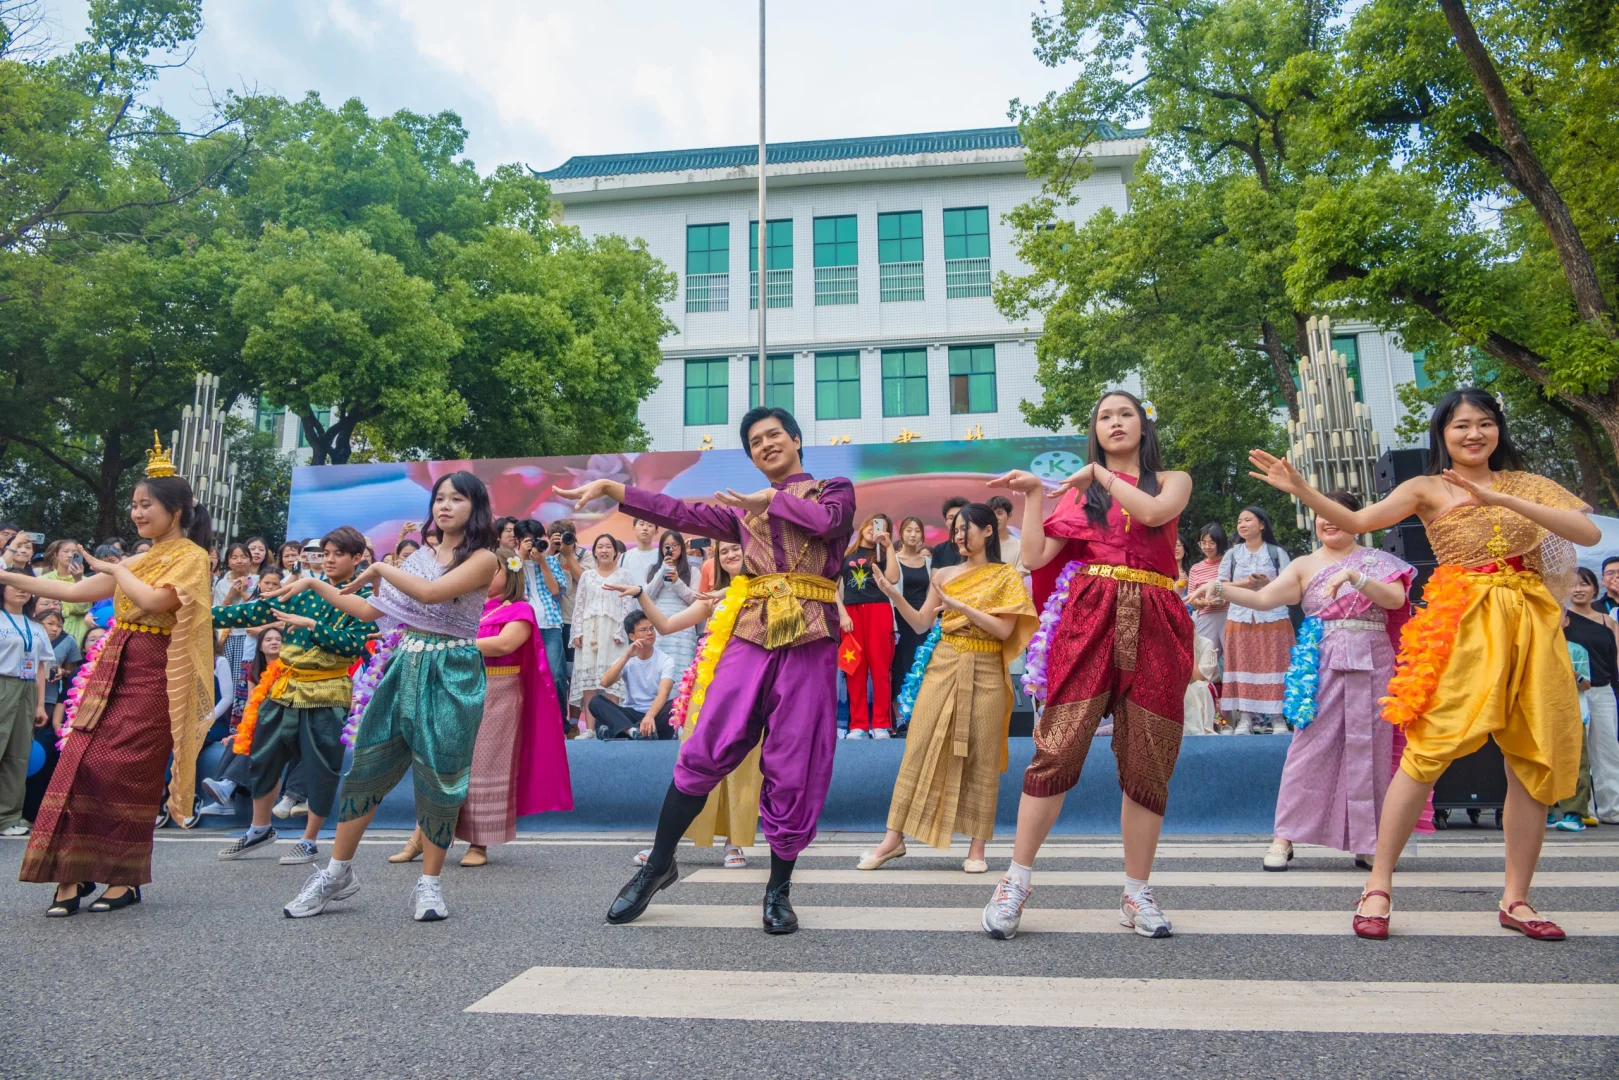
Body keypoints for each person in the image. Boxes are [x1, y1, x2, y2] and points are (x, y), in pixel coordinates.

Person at [1249, 386, 1599, 940]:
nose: (1474, 434)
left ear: (1498, 430)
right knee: (1428, 749)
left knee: (1532, 760)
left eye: (1484, 423)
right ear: (1443, 434)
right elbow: (1358, 521)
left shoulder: (1525, 486)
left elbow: (1587, 531)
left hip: (1532, 623)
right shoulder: (1425, 487)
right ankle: (1378, 885)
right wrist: (1303, 490)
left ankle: (1517, 900)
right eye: (1461, 425)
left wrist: (1501, 502)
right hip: (1467, 622)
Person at [557, 405, 855, 934]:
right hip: (751, 634)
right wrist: (616, 491)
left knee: (793, 761)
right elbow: (677, 512)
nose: (765, 445)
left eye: (773, 435)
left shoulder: (834, 489)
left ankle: (778, 889)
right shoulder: (741, 514)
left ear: (796, 439)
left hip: (810, 638)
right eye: (754, 442)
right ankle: (658, 863)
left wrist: (774, 500)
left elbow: (832, 525)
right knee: (705, 745)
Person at [981, 390, 1193, 941]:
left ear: (1144, 426)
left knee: (1149, 760)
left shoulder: (1172, 481)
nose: (1116, 422)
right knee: (1058, 747)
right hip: (1088, 620)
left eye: (1126, 414)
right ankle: (1015, 882)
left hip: (1157, 620)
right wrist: (1033, 498)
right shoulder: (1080, 500)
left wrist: (1098, 474)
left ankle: (1136, 893)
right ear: (1094, 430)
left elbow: (1152, 514)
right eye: (1104, 417)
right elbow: (1032, 559)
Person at [278, 471, 499, 922]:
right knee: (367, 766)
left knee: (441, 776)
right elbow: (366, 609)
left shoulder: (484, 559)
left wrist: (378, 568)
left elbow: (436, 594)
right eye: (440, 498)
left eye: (457, 499)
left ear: (475, 507)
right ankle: (337, 874)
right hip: (404, 664)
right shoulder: (416, 560)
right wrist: (315, 584)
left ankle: (430, 884)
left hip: (453, 671)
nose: (445, 506)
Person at [7, 438, 214, 916]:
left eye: (146, 505)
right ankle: (69, 876)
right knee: (77, 761)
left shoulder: (190, 557)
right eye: (134, 504)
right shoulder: (139, 559)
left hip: (156, 672)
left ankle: (122, 879)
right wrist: (8, 576)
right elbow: (77, 592)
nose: (136, 512)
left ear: (176, 510)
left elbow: (156, 602)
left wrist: (119, 570)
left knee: (123, 774)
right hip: (113, 666)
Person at [1192, 491, 1414, 872]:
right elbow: (1263, 599)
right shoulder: (1304, 565)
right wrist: (1217, 588)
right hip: (1321, 660)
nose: (1328, 521)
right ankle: (1284, 837)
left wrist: (1356, 577)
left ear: (1359, 519)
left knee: (1369, 749)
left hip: (1375, 660)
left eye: (1339, 514)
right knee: (1307, 747)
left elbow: (1395, 600)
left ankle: (1366, 840)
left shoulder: (1377, 562)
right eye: (1321, 515)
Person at [859, 503, 1037, 873]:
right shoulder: (942, 573)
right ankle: (893, 839)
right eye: (955, 530)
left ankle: (976, 849)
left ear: (988, 531)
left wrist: (959, 606)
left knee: (982, 753)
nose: (958, 536)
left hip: (986, 666)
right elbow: (923, 623)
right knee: (919, 743)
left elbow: (1004, 631)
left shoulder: (1005, 577)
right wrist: (892, 594)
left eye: (965, 528)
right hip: (943, 662)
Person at [390, 549, 570, 868]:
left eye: (492, 570)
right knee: (439, 761)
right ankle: (422, 836)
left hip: (499, 692)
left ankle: (479, 842)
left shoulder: (519, 609)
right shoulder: (461, 609)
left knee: (486, 765)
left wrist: (452, 643)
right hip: (455, 687)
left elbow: (503, 645)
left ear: (510, 573)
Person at [211, 527, 378, 867]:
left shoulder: (364, 600)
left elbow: (351, 646)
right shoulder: (301, 590)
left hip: (327, 690)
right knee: (262, 757)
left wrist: (312, 626)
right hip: (284, 686)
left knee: (320, 767)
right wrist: (201, 614)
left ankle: (309, 839)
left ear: (357, 558)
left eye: (337, 554)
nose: (329, 560)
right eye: (324, 554)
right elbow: (254, 613)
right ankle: (259, 829)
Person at [612, 539, 757, 868]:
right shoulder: (711, 601)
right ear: (717, 561)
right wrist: (640, 595)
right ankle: (666, 845)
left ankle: (734, 843)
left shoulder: (762, 595)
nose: (732, 554)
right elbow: (665, 625)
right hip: (707, 689)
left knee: (742, 766)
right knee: (691, 764)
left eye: (738, 548)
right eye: (724, 551)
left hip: (748, 691)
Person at [1219, 507, 1294, 734]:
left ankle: (1277, 717)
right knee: (1242, 665)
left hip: (1273, 616)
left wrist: (1267, 582)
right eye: (1239, 521)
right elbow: (1220, 586)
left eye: (1248, 520)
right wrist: (1247, 585)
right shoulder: (1231, 555)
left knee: (1276, 664)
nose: (1242, 524)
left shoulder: (1276, 552)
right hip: (1240, 617)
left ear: (1262, 525)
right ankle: (1245, 717)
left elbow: (1291, 584)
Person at [1559, 567, 1619, 826]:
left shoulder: (1608, 621)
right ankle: (1584, 810)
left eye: (1584, 584)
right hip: (1573, 693)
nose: (1578, 589)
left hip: (1603, 691)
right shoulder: (1561, 620)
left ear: (1595, 587)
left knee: (1607, 752)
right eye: (1572, 585)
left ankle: (1611, 810)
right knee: (1577, 754)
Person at [838, 514, 900, 739]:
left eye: (882, 527)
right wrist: (842, 614)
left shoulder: (882, 554)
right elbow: (832, 588)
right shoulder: (845, 554)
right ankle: (858, 725)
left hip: (879, 612)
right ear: (864, 525)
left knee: (881, 670)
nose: (874, 530)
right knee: (854, 669)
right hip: (851, 616)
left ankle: (881, 724)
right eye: (873, 524)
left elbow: (892, 578)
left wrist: (889, 547)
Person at [0, 583, 53, 837]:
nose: (21, 591)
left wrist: (40, 704)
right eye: (14, 586)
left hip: (27, 688)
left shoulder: (36, 626)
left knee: (18, 754)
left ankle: (8, 817)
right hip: (2, 681)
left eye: (25, 587)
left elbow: (41, 667)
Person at [569, 533, 633, 735]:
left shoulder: (624, 575)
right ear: (594, 551)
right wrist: (577, 632)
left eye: (608, 547)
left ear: (616, 552)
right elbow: (579, 606)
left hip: (615, 633)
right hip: (590, 632)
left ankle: (615, 727)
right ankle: (589, 729)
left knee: (612, 681)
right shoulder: (587, 576)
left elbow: (628, 605)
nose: (604, 550)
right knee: (589, 682)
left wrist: (622, 631)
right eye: (600, 547)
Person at [589, 611, 679, 740]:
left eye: (651, 629)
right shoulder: (627, 658)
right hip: (631, 712)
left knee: (676, 704)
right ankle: (633, 731)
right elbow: (605, 682)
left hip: (655, 714)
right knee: (596, 701)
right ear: (632, 636)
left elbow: (663, 694)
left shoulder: (666, 660)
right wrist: (626, 656)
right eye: (643, 630)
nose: (650, 633)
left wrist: (649, 716)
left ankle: (623, 730)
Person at [518, 520, 570, 717]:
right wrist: (521, 559)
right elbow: (510, 591)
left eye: (537, 539)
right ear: (519, 541)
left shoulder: (551, 561)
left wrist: (542, 562)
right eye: (528, 541)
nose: (533, 544)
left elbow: (556, 590)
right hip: (521, 627)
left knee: (556, 675)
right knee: (524, 676)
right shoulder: (511, 562)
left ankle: (559, 723)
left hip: (550, 625)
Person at [1552, 617, 1595, 830]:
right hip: (1543, 714)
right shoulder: (1534, 647)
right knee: (1544, 763)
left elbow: (1587, 685)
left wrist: (1575, 676)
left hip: (1573, 714)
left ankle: (1574, 814)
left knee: (1577, 764)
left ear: (1566, 621)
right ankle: (1548, 811)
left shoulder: (1577, 650)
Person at [889, 517, 932, 721]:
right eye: (908, 530)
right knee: (900, 665)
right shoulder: (893, 560)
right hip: (899, 620)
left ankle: (919, 717)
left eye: (917, 531)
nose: (913, 534)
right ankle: (899, 719)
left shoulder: (930, 563)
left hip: (923, 619)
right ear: (901, 533)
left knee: (921, 664)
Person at [644, 529, 702, 671]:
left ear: (682, 547)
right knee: (658, 669)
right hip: (658, 625)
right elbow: (648, 596)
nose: (671, 549)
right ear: (661, 549)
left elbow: (695, 601)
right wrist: (663, 568)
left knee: (681, 670)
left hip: (683, 625)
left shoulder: (692, 571)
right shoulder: (652, 569)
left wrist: (677, 581)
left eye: (675, 545)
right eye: (667, 546)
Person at [1186, 523, 1230, 673]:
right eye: (1203, 543)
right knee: (1206, 658)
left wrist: (1226, 597)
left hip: (1228, 615)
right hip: (1205, 617)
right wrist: (1199, 602)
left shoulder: (1228, 563)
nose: (1207, 547)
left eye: (1212, 543)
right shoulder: (1196, 568)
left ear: (1220, 543)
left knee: (1232, 657)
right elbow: (1192, 597)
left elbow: (1236, 587)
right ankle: (1208, 692)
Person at [39, 541, 92, 648]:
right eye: (66, 551)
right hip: (45, 629)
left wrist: (78, 580)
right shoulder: (42, 580)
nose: (70, 555)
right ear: (56, 555)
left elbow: (83, 608)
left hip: (77, 629)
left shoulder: (86, 581)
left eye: (74, 552)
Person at [621, 517, 664, 585]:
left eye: (650, 525)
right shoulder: (624, 557)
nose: (645, 528)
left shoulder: (662, 556)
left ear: (656, 532)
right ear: (634, 528)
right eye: (641, 524)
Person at [986, 495, 1022, 571]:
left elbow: (1020, 575)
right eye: (992, 514)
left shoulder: (1020, 546)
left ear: (1009, 515)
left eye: (999, 513)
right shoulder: (979, 544)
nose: (995, 518)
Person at [932, 497, 969, 569]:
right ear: (946, 522)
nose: (955, 521)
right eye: (951, 518)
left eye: (959, 516)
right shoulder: (939, 549)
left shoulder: (976, 546)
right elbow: (935, 577)